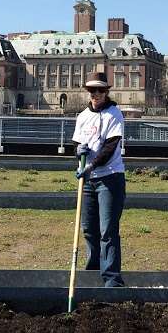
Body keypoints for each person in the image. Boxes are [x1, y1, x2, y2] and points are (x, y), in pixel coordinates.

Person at [71, 72, 126, 287]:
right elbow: (75, 145)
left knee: (108, 230)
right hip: (87, 182)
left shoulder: (114, 115)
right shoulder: (83, 116)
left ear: (106, 91)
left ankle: (111, 279)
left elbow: (110, 148)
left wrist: (91, 165)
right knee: (88, 229)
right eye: (92, 90)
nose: (96, 94)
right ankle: (92, 273)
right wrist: (77, 152)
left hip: (109, 179)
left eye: (100, 90)